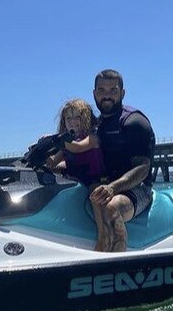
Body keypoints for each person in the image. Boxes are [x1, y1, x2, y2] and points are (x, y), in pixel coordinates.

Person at [89, 69, 155, 252]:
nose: (107, 96)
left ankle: (117, 260)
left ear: (122, 93)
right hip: (106, 185)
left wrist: (113, 188)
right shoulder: (96, 125)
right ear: (94, 94)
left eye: (113, 90)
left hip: (138, 188)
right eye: (102, 90)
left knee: (111, 208)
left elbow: (143, 168)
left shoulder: (134, 122)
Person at [46, 98, 105, 186]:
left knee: (95, 194)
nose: (72, 121)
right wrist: (42, 149)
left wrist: (55, 139)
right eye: (68, 118)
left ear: (86, 119)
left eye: (77, 117)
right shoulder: (65, 143)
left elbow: (78, 147)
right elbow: (53, 162)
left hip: (94, 182)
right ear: (64, 122)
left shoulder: (93, 138)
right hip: (73, 183)